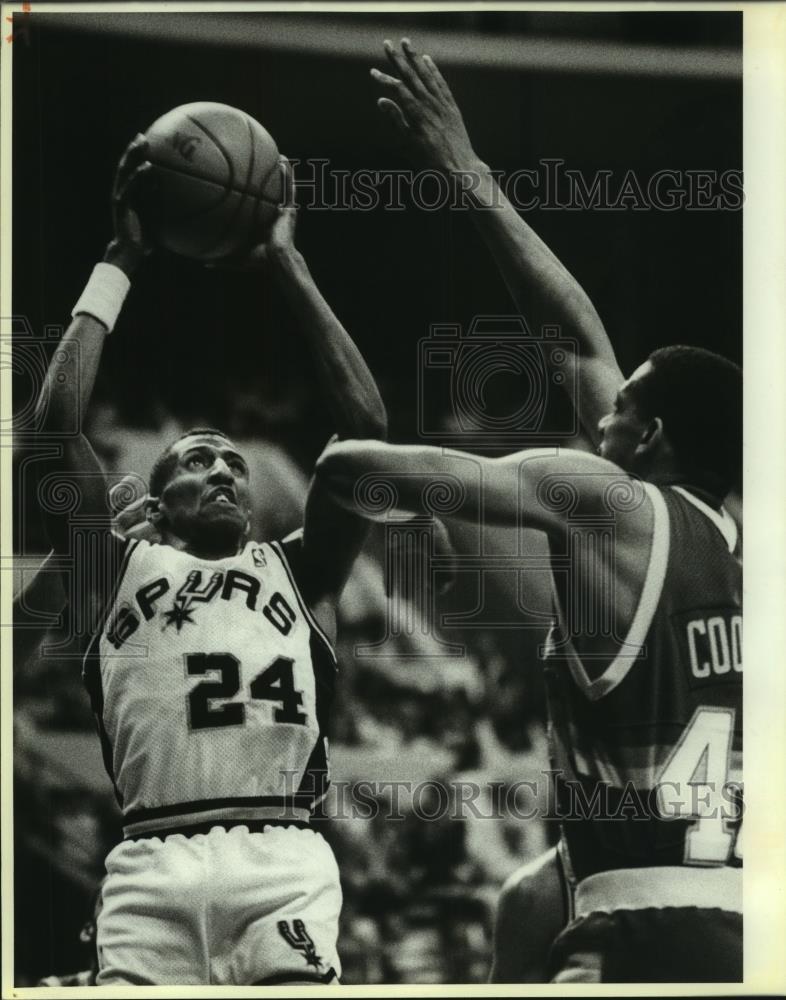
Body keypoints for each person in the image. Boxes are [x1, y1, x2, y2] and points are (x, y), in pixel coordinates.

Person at [315, 39, 743, 983]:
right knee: (524, 902)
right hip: (746, 916)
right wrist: (465, 174)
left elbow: (391, 467)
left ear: (653, 436)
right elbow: (575, 335)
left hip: (640, 931)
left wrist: (341, 458)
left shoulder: (605, 502)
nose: (601, 412)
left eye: (620, 406)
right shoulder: (736, 545)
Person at [32, 138, 387, 985]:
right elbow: (52, 431)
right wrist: (119, 261)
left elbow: (365, 435)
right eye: (195, 461)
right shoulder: (111, 567)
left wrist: (288, 267)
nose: (222, 469)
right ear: (154, 503)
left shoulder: (300, 569)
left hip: (282, 859)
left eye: (231, 460)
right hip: (150, 861)